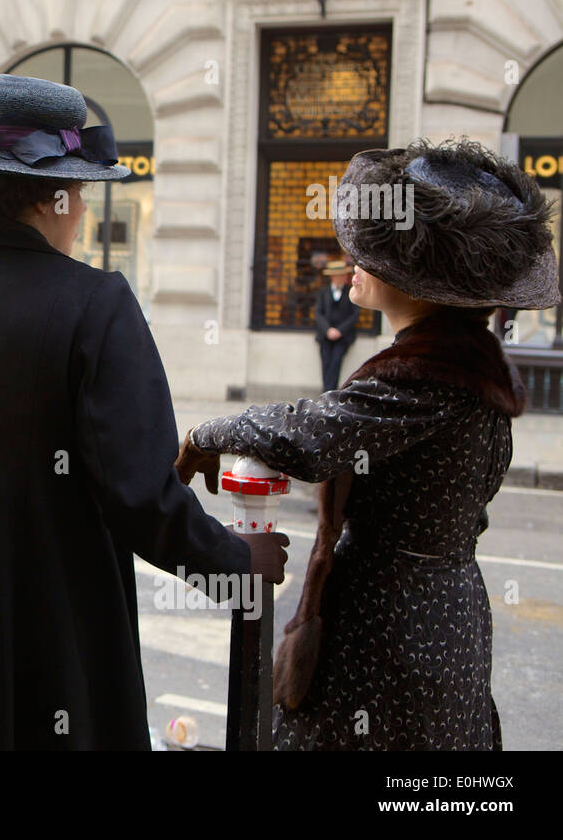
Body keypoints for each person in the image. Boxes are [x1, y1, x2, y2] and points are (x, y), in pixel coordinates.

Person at [0, 74, 288, 750]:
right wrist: (235, 559)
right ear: (47, 199)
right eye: (77, 189)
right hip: (57, 646)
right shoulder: (97, 303)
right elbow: (140, 493)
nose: (80, 207)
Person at [177, 139, 559, 751]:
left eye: (371, 252)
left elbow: (308, 435)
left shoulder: (430, 375)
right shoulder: (472, 367)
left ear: (418, 282)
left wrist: (203, 434)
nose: (350, 259)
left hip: (392, 632)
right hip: (441, 615)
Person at [314, 259, 359, 390]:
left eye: (344, 275)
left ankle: (331, 392)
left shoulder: (350, 292)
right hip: (325, 335)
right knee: (326, 362)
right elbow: (318, 313)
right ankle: (326, 393)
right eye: (340, 275)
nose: (343, 277)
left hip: (343, 336)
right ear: (333, 277)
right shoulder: (324, 292)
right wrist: (328, 330)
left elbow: (354, 315)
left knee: (336, 362)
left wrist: (340, 331)